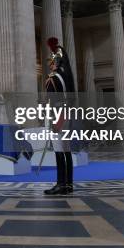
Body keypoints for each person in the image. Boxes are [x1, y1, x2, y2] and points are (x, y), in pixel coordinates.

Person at [43, 37, 75, 196]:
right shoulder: (65, 75)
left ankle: (60, 184)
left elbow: (54, 101)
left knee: (58, 150)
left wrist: (55, 120)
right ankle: (68, 184)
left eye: (51, 59)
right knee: (66, 149)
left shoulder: (53, 78)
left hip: (57, 116)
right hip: (66, 115)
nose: (50, 62)